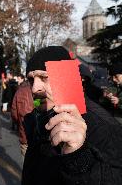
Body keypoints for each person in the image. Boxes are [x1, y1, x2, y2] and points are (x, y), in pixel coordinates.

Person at [22, 46, 122, 185]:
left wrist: (79, 158)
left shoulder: (104, 127)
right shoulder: (38, 117)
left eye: (44, 77)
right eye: (31, 80)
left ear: (66, 78)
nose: (34, 88)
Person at [11, 80, 34, 159]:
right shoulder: (41, 90)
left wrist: (20, 123)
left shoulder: (19, 92)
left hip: (24, 135)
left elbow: (14, 114)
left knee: (26, 162)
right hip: (41, 138)